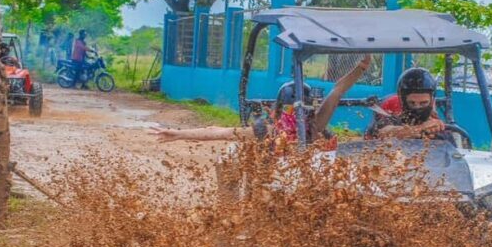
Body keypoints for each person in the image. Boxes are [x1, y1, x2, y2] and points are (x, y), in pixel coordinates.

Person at [151, 54, 372, 149]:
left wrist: (360, 68)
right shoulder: (267, 131)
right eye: (291, 111)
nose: (296, 118)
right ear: (277, 112)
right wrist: (179, 134)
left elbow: (337, 91)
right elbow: (220, 132)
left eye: (301, 111)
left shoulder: (316, 127)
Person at [364, 67, 452, 143]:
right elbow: (382, 132)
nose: (417, 107)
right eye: (412, 103)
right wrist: (420, 129)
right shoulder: (392, 119)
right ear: (402, 101)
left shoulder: (437, 127)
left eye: (423, 103)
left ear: (432, 101)